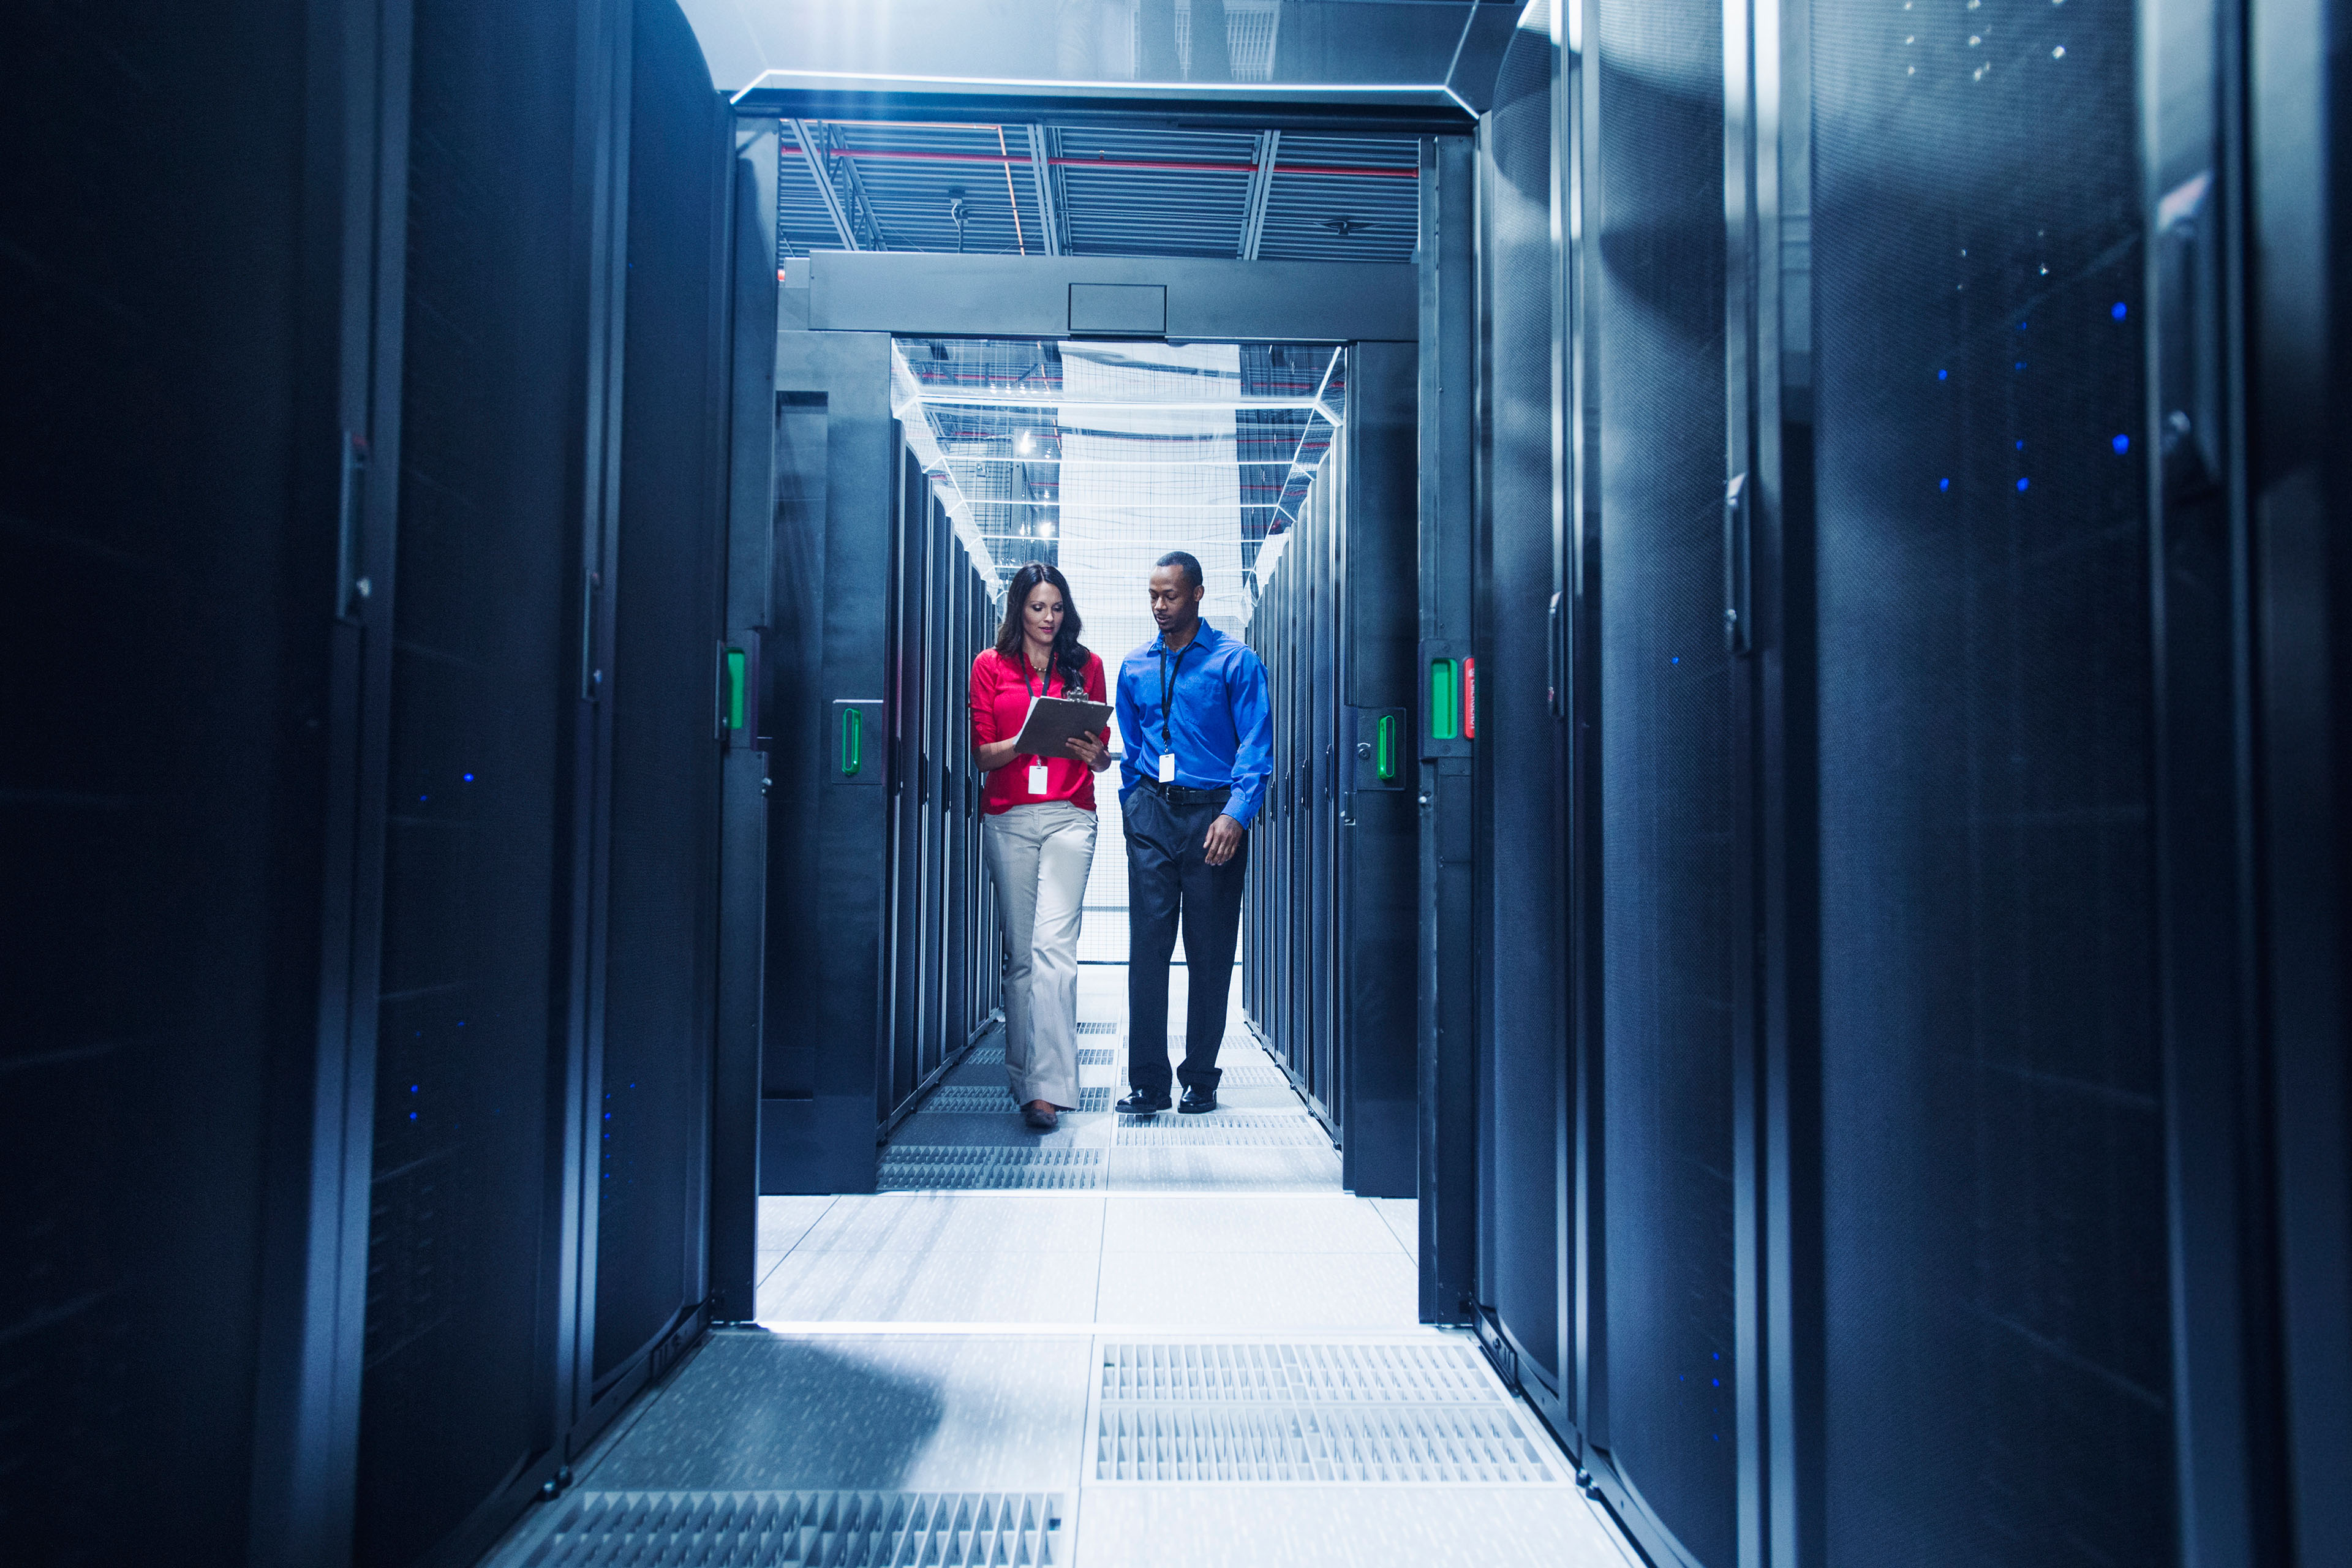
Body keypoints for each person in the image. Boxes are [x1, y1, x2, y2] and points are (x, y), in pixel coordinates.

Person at [1113, 551, 1275, 1115]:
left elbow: (1256, 747)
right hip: (1153, 816)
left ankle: (1201, 1078)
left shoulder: (1236, 662)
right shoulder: (1135, 666)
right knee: (1147, 953)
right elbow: (1134, 749)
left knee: (1210, 954)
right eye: (1153, 595)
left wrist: (1236, 814)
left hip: (1215, 819)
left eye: (1171, 595)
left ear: (1198, 594)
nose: (1159, 606)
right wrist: (1134, 802)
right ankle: (1148, 1084)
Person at [970, 562, 1114, 1131]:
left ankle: (1049, 1091)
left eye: (1057, 608)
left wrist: (1096, 756)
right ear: (1018, 610)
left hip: (1069, 814)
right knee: (1023, 955)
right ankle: (1025, 1080)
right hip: (1008, 816)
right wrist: (1027, 739)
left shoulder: (1087, 667)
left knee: (1056, 949)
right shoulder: (989, 665)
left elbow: (1100, 753)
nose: (1049, 618)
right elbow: (982, 754)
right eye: (1037, 608)